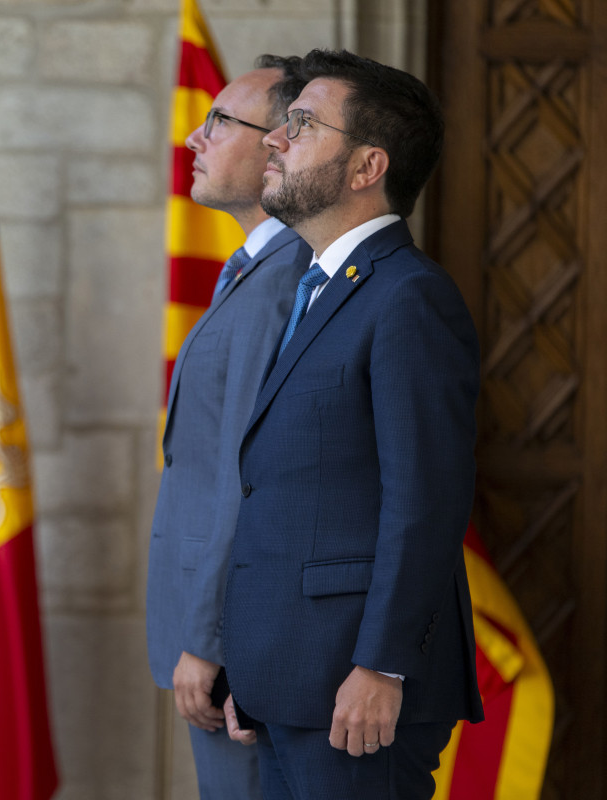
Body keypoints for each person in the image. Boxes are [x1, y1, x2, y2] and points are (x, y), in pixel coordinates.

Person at [219, 49, 484, 799]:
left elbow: (424, 499)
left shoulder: (408, 297)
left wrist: (382, 665)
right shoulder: (321, 290)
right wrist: (255, 665)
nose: (274, 138)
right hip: (290, 680)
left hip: (355, 689)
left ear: (368, 166)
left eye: (301, 124)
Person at [146, 55, 312, 800]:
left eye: (220, 121)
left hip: (230, 650)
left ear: (281, 143)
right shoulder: (251, 270)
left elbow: (250, 475)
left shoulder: (284, 283)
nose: (193, 136)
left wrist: (210, 643)